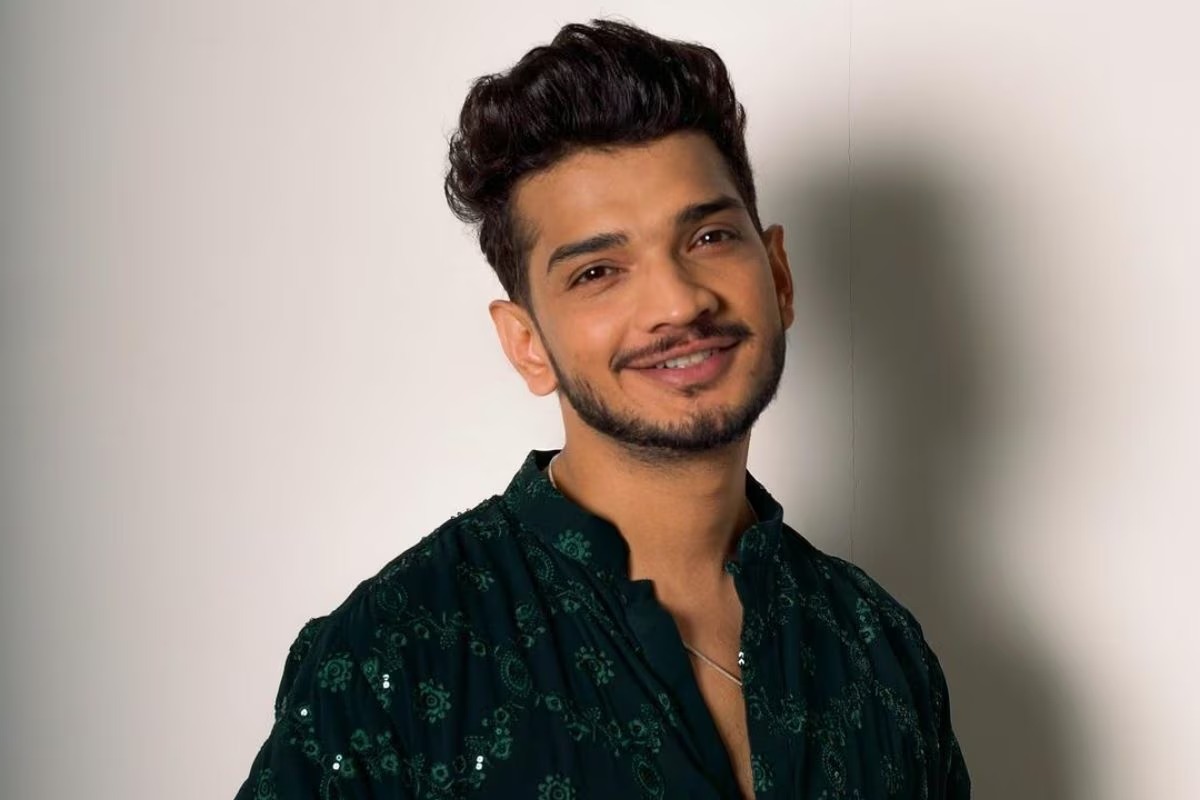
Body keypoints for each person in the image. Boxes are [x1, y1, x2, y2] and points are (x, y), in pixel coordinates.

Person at [235, 18, 970, 799]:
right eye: (597, 272)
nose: (678, 302)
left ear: (779, 275)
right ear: (527, 345)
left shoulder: (878, 648)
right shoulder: (393, 658)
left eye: (710, 236)